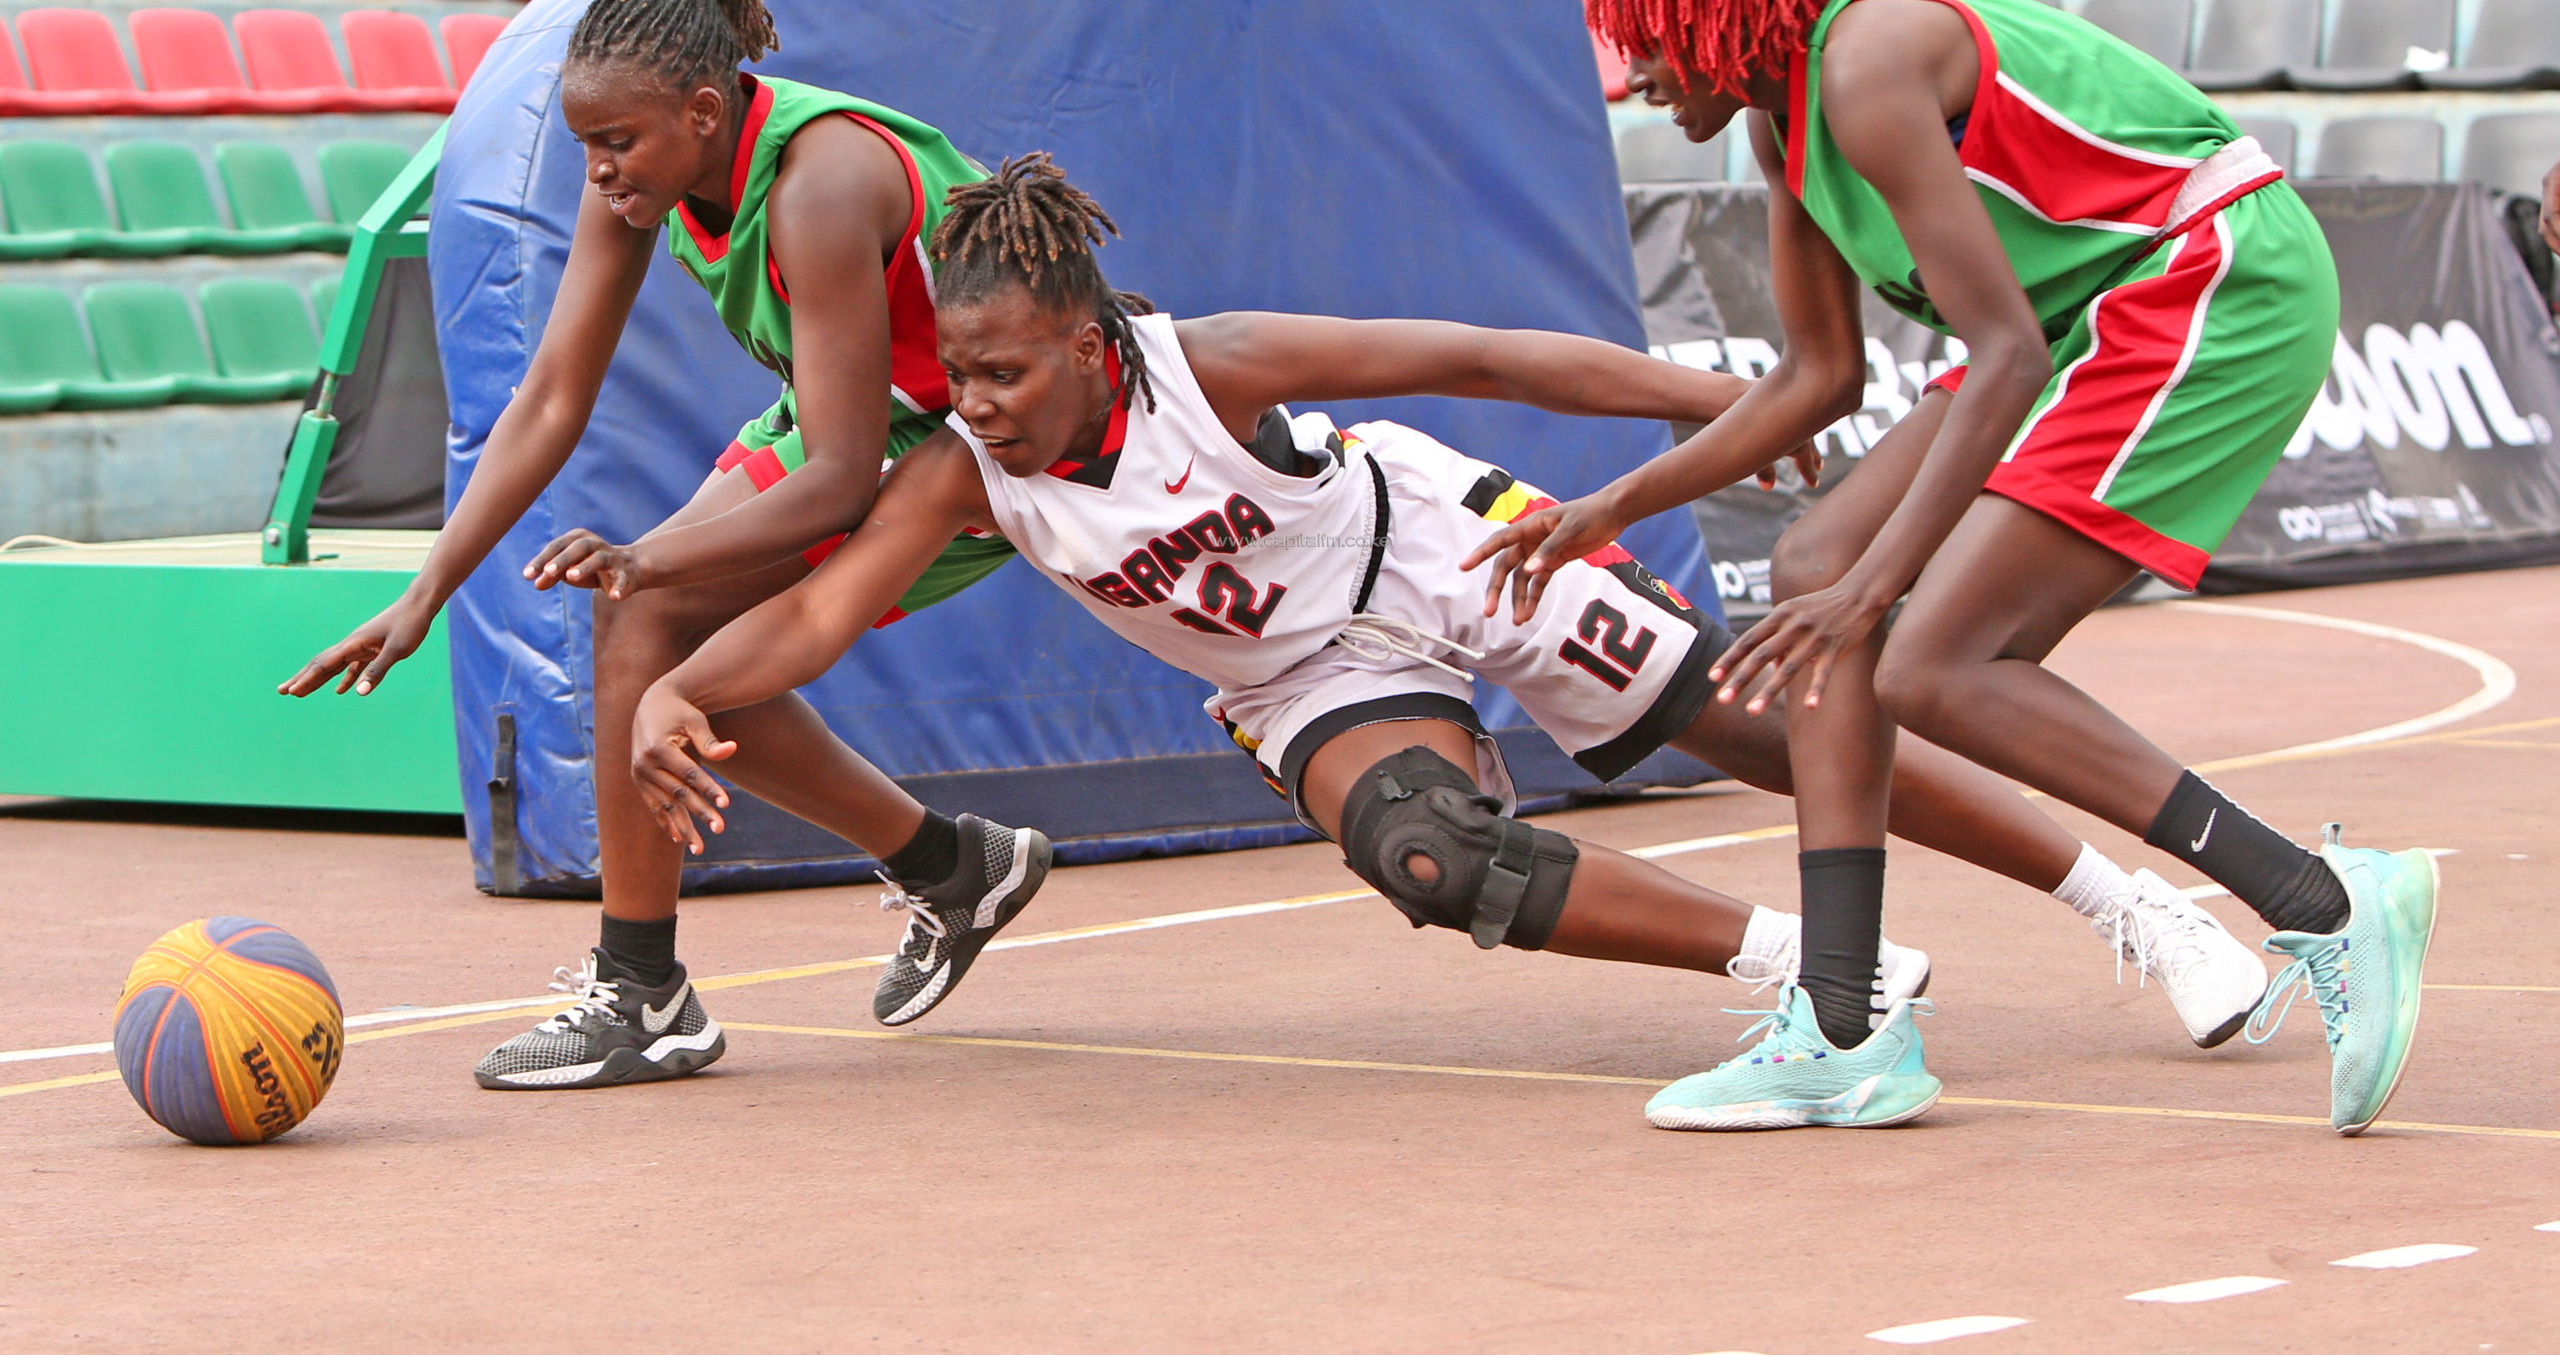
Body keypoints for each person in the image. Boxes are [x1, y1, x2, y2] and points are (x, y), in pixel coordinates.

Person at [628, 153, 2265, 1100]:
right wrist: (680, 689)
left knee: (1771, 723)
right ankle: (1823, 977)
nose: (976, 401)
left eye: (1004, 371)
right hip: (1306, 672)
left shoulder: (1220, 361)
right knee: (1431, 858)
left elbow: (1481, 357)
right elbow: (823, 610)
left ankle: (2141, 906)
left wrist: (1728, 397)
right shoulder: (967, 471)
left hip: (1448, 548)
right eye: (960, 375)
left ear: (1091, 338)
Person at [1467, 0, 2439, 1135]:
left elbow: (2005, 356)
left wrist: (1881, 589)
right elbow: (1820, 377)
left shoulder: (1868, 63)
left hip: (2206, 280)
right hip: (2092, 313)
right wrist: (1610, 505)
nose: (1635, 74)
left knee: (1927, 657)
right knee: (1819, 557)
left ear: (1718, 11)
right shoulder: (1784, 123)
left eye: (1651, 35)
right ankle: (1841, 1023)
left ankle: (2321, 898)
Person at [279, 0, 1050, 1091]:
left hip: (988, 438)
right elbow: (547, 397)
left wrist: (647, 555)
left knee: (643, 615)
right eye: (585, 143)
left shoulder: (819, 184)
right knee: (642, 622)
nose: (598, 170)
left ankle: (645, 993)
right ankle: (947, 864)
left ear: (703, 109)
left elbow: (844, 475)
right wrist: (426, 589)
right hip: (847, 415)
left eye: (617, 142)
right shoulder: (646, 166)